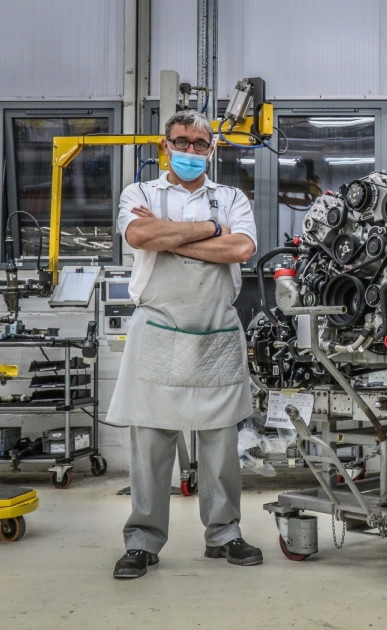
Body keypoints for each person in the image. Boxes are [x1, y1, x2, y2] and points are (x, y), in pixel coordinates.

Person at [108, 109, 262, 579]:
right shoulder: (140, 193)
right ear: (165, 145)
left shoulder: (231, 197)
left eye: (200, 143)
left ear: (212, 150)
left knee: (220, 443)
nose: (191, 150)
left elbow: (241, 249)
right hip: (158, 328)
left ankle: (225, 535)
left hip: (216, 330)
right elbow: (139, 234)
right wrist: (211, 230)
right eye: (182, 141)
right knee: (151, 442)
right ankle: (142, 541)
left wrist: (168, 236)